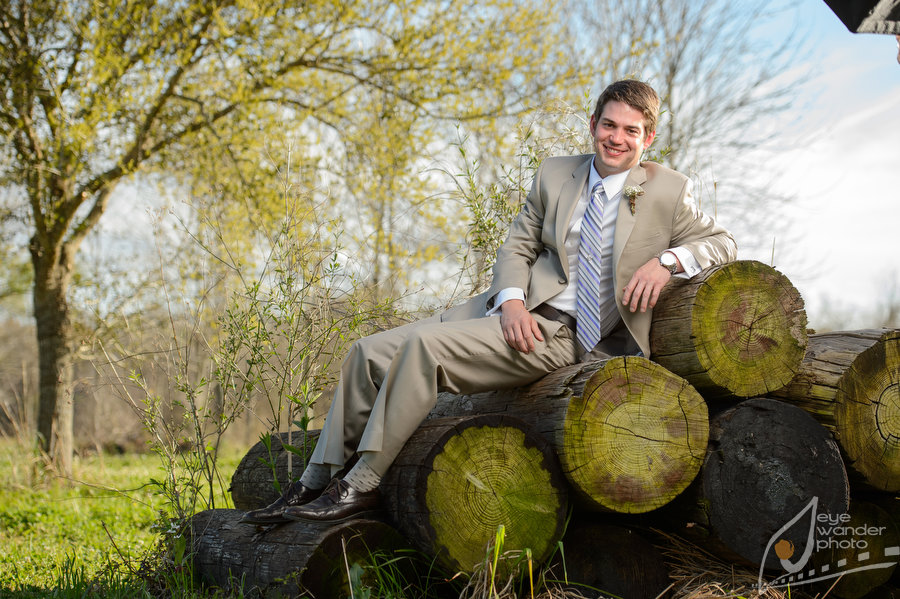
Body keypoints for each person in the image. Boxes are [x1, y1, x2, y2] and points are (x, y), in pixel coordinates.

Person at [241, 79, 737, 525]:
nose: (616, 137)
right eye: (609, 124)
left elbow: (722, 243)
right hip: (513, 313)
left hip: (565, 335)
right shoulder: (555, 174)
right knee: (365, 353)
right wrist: (513, 302)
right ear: (593, 124)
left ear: (647, 138)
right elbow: (518, 246)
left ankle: (362, 483)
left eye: (631, 130)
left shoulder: (668, 191)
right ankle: (313, 479)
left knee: (425, 349)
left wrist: (667, 263)